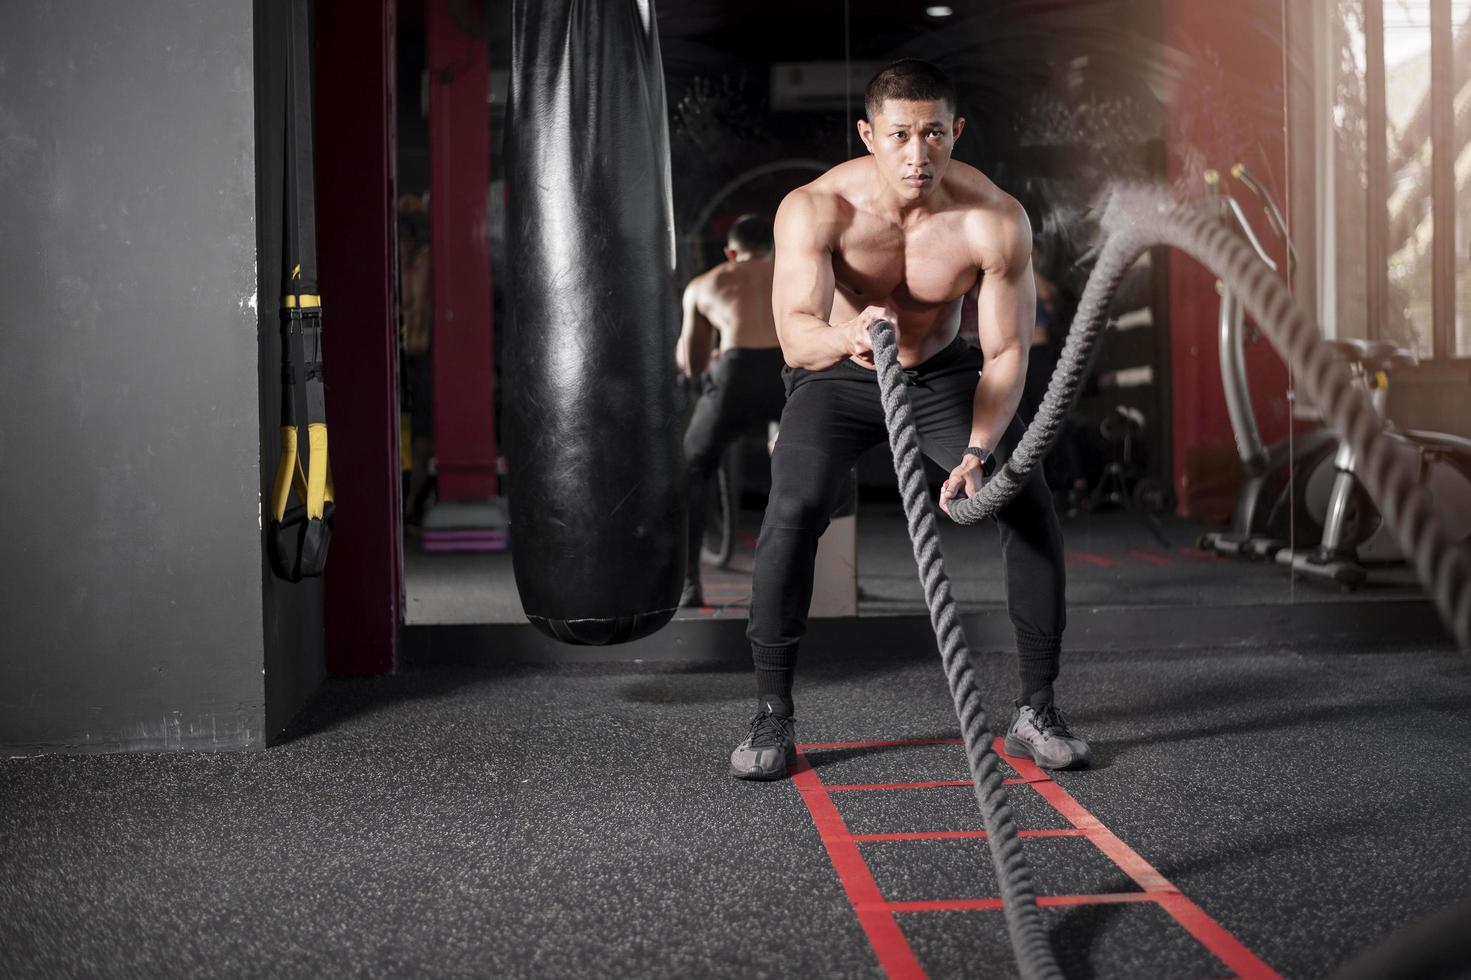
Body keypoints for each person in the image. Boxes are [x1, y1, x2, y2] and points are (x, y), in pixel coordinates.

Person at [730, 59, 1090, 780]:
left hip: (941, 376)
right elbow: (797, 332)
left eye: (932, 133)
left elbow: (1006, 350)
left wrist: (981, 449)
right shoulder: (816, 208)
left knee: (1026, 503)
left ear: (955, 131)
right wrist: (847, 337)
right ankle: (772, 711)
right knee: (793, 509)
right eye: (898, 135)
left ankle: (1037, 706)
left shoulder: (993, 219)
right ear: (869, 134)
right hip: (835, 372)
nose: (916, 153)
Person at [677, 214, 787, 608]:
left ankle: (689, 584)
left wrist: (708, 362)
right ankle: (833, 577)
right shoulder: (791, 272)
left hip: (735, 374)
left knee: (692, 469)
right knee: (815, 465)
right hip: (785, 373)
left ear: (730, 251)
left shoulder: (706, 284)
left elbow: (691, 364)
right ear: (772, 249)